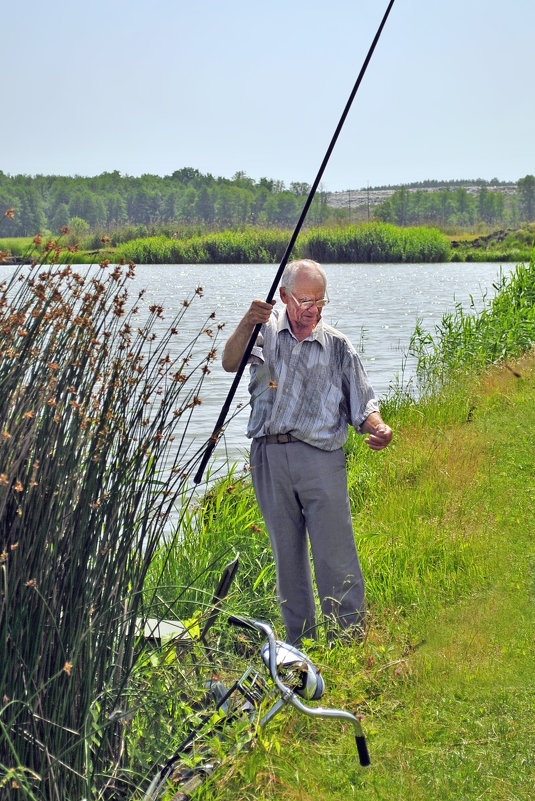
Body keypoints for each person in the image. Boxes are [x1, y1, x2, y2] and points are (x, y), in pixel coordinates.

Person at [222, 259, 392, 644]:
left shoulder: (337, 346)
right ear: (283, 297)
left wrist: (378, 427)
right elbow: (230, 361)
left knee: (336, 553)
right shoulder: (262, 333)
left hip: (321, 459)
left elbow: (363, 404)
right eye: (303, 300)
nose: (311, 309)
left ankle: (346, 640)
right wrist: (247, 322)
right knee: (287, 557)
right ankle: (300, 643)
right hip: (269, 458)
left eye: (319, 301)